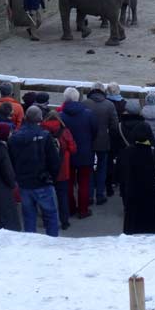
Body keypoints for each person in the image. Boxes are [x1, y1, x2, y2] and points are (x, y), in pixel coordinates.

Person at [8, 106, 61, 236]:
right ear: (40, 119)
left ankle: (30, 242)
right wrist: (52, 177)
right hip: (42, 181)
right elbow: (54, 160)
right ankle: (52, 241)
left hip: (24, 182)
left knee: (29, 215)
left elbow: (11, 159)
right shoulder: (45, 136)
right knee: (50, 215)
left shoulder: (14, 137)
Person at [116, 122, 155, 234]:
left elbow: (120, 175)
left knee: (132, 232)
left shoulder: (127, 152)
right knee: (152, 233)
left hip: (132, 196)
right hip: (151, 197)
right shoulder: (154, 152)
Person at [59, 87, 98, 219]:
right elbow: (94, 131)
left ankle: (70, 208)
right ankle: (83, 210)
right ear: (78, 98)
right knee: (84, 182)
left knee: (68, 182)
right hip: (85, 152)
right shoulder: (88, 114)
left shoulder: (61, 116)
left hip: (67, 153)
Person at [84, 82, 119, 206]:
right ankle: (100, 194)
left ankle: (88, 196)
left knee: (88, 168)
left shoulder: (85, 103)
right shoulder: (109, 105)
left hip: (88, 141)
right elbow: (114, 124)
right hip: (104, 140)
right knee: (102, 167)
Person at [42, 108, 77, 231]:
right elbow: (73, 149)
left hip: (46, 169)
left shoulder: (42, 131)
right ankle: (65, 221)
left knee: (46, 196)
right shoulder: (65, 131)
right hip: (63, 169)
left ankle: (47, 221)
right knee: (62, 196)